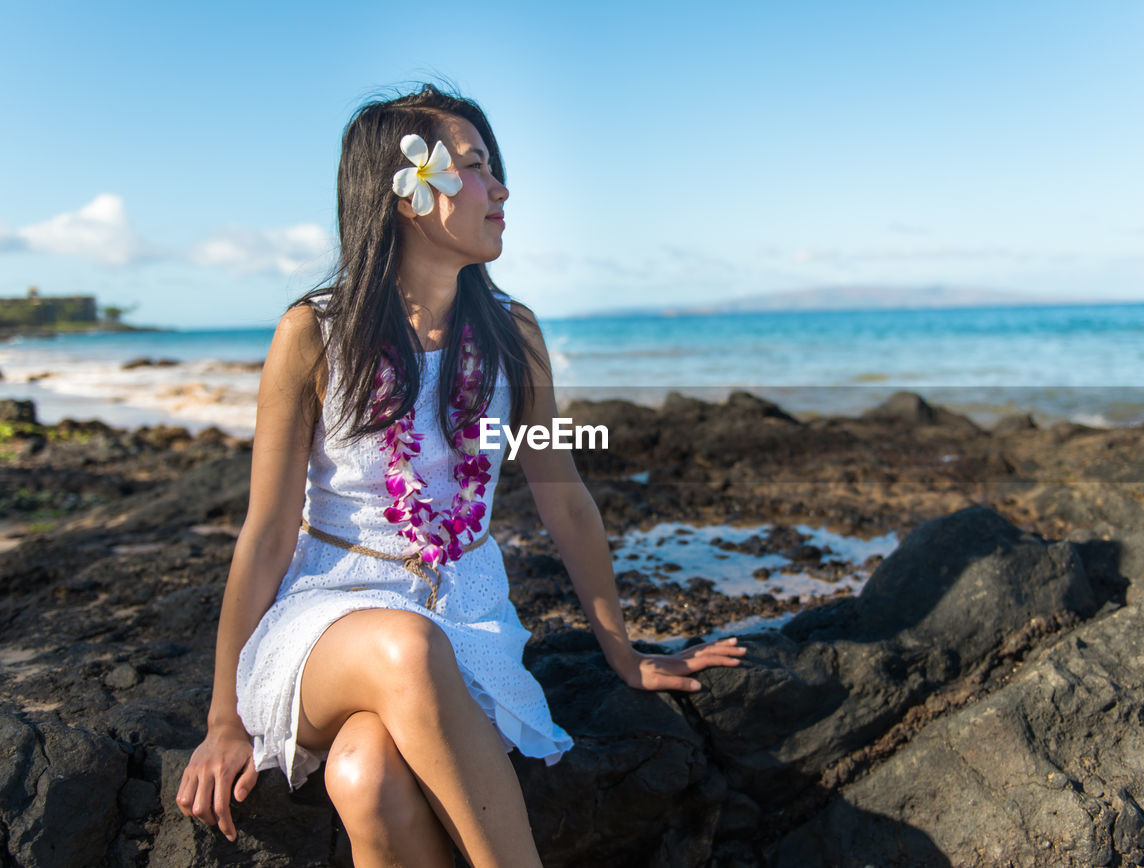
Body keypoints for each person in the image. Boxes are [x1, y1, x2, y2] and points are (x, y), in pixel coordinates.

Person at [174, 82, 747, 867]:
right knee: (406, 649)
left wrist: (623, 651)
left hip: (468, 612)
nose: (502, 188)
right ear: (409, 195)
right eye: (476, 167)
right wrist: (223, 722)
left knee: (365, 776)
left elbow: (563, 495)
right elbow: (267, 532)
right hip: (330, 613)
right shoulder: (314, 334)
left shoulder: (513, 335)